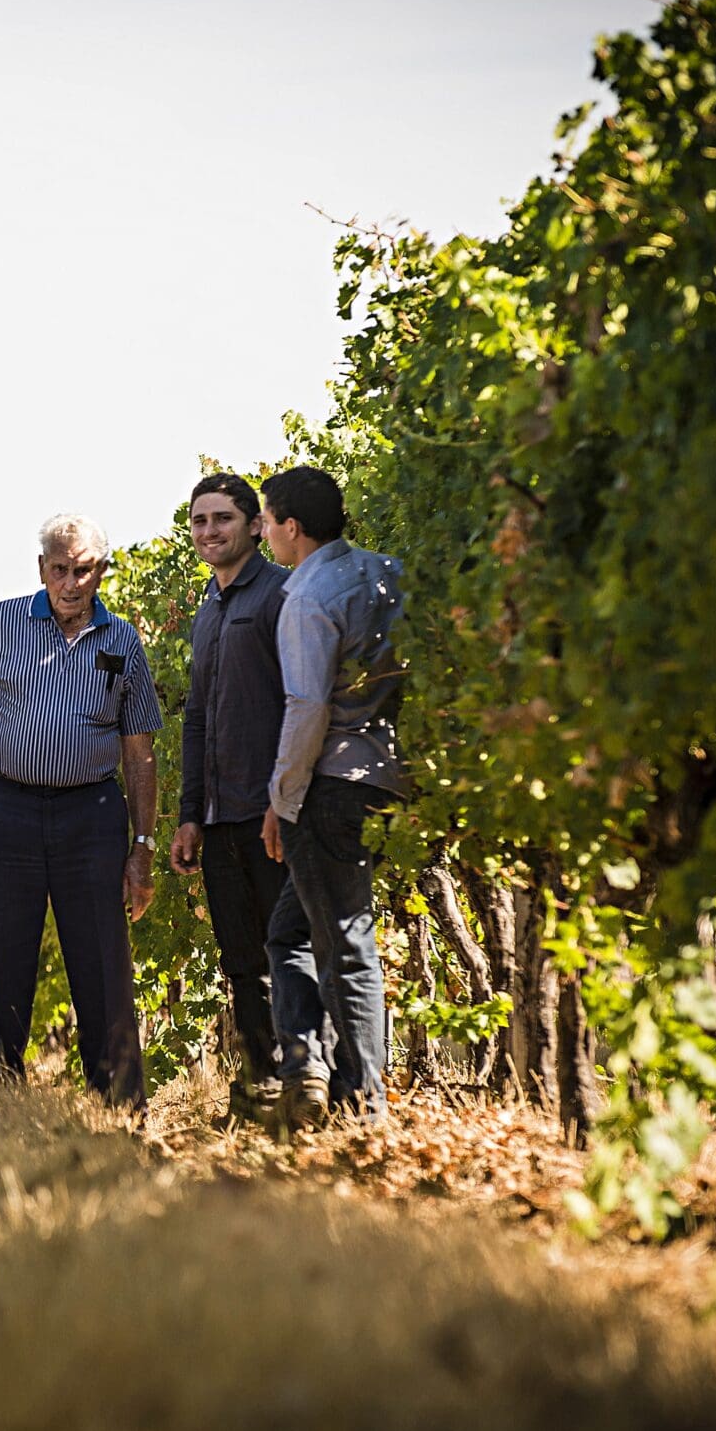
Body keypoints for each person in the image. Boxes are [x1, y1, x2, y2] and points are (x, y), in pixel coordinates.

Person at [0, 514, 163, 1110]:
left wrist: (142, 847)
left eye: (84, 570)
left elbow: (139, 750)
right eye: (60, 569)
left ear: (101, 572)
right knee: (0, 955)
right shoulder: (1, 624)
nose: (71, 582)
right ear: (41, 570)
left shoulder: (122, 641)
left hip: (92, 814)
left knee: (102, 960)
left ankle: (117, 1100)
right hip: (6, 811)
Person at [258, 465, 410, 1126]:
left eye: (265, 519)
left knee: (345, 943)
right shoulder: (389, 574)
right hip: (385, 780)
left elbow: (308, 707)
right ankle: (310, 1067)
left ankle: (363, 1102)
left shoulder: (306, 598)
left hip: (328, 787)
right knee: (291, 932)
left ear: (291, 527)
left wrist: (282, 796)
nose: (263, 531)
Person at [166, 472, 299, 1123]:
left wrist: (282, 797)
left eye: (222, 518)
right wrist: (190, 814)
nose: (209, 530)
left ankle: (303, 1086)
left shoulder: (279, 594)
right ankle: (256, 1087)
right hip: (218, 816)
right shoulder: (208, 609)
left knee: (287, 952)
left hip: (269, 812)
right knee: (240, 958)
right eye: (199, 520)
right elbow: (196, 718)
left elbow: (297, 702)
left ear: (254, 524)